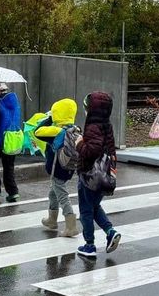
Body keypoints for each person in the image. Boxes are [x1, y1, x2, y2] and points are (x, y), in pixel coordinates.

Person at [74, 91, 121, 258]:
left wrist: (79, 143)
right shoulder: (106, 125)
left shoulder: (93, 127)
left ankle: (89, 245)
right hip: (103, 175)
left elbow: (92, 150)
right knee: (95, 206)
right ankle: (110, 231)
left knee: (86, 210)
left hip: (90, 175)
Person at [35, 98, 80, 237]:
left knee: (62, 196)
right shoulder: (75, 130)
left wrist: (48, 118)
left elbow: (37, 131)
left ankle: (71, 226)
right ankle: (52, 220)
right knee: (53, 193)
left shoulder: (56, 131)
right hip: (68, 168)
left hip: (57, 169)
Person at [0, 81, 23, 203]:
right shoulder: (14, 100)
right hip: (13, 138)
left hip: (0, 139)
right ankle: (13, 192)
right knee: (8, 166)